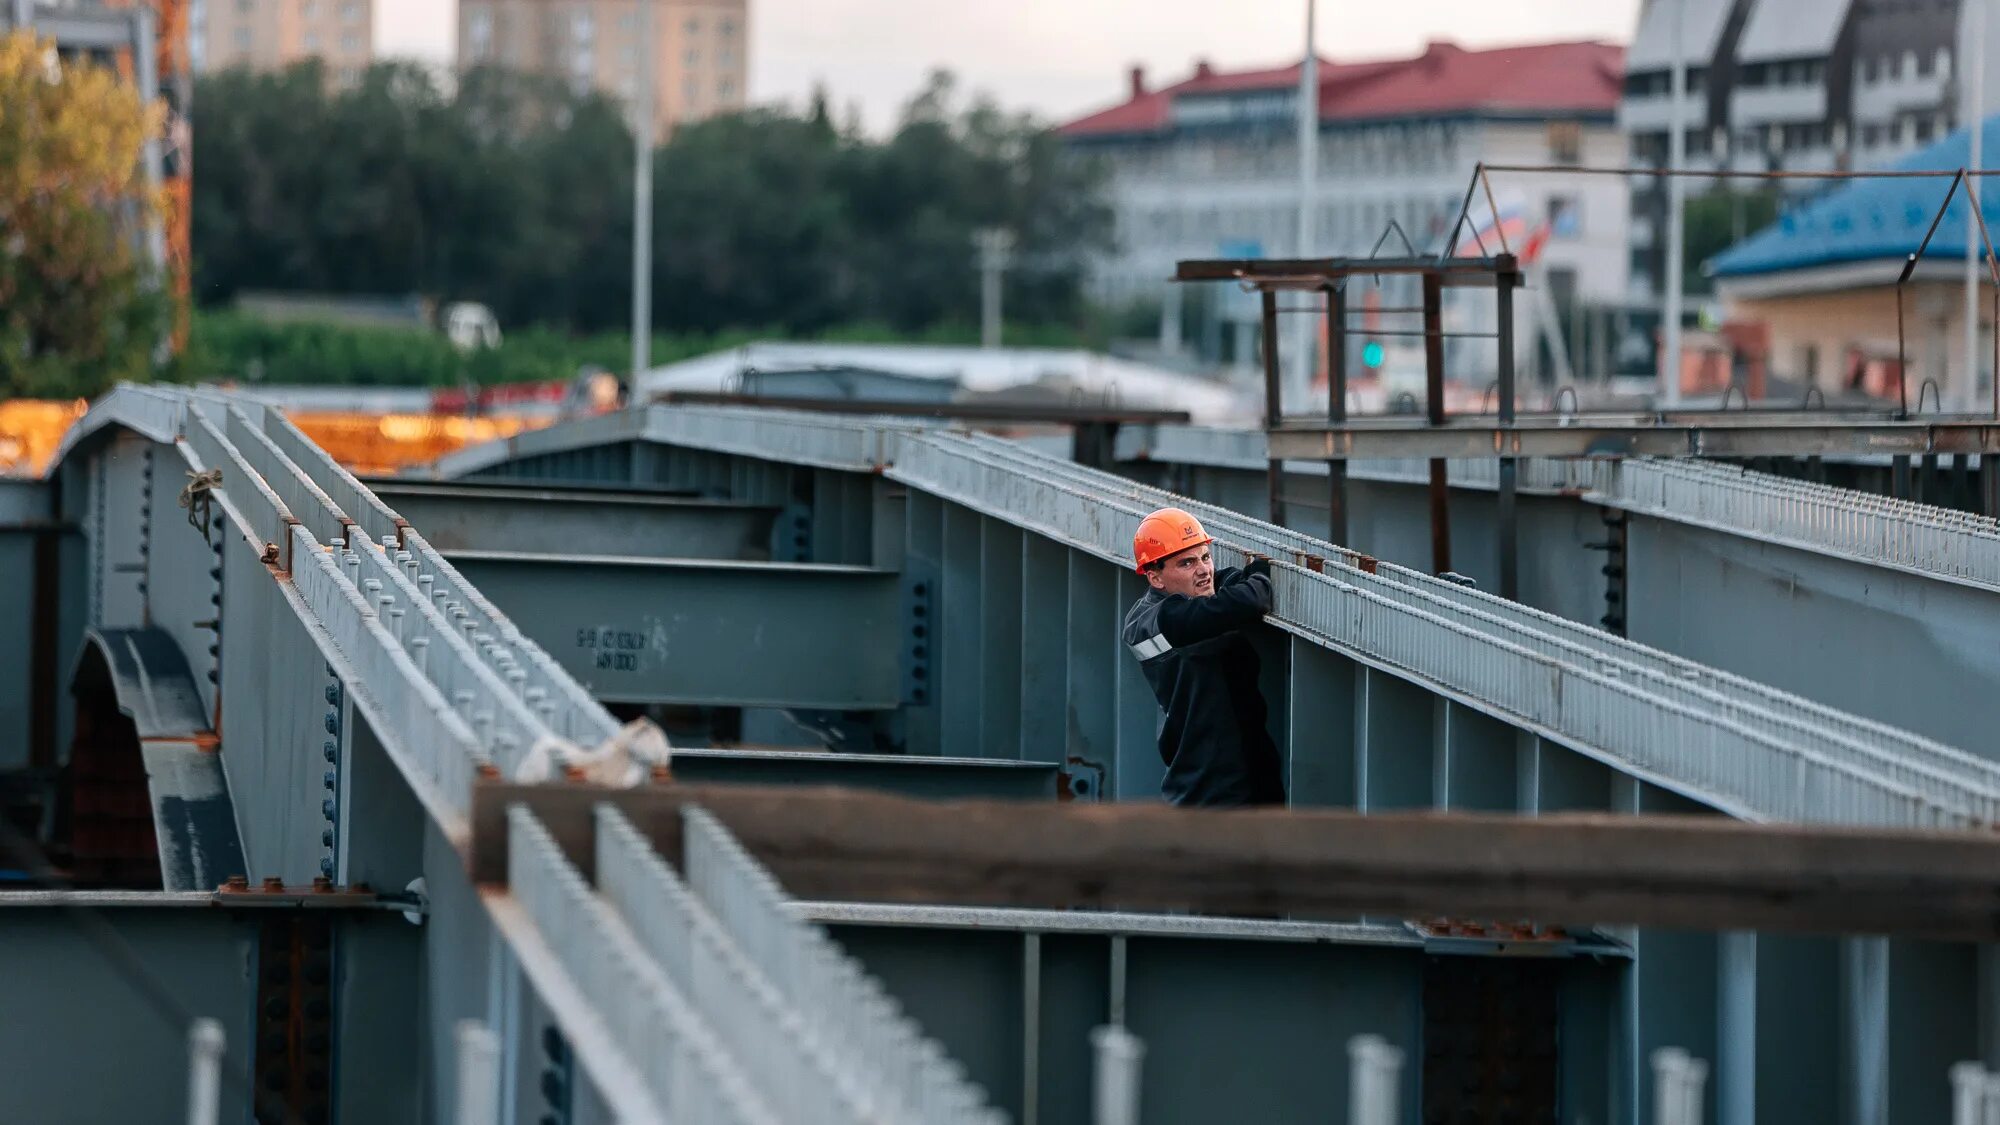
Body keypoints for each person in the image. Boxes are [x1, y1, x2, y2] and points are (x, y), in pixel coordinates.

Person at [1122, 506, 1286, 807]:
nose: (1203, 570)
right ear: (1155, 577)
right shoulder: (1165, 620)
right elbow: (1250, 598)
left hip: (1219, 773)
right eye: (1186, 563)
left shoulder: (1150, 611)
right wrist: (1259, 576)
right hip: (1212, 787)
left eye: (1205, 557)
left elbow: (1223, 582)